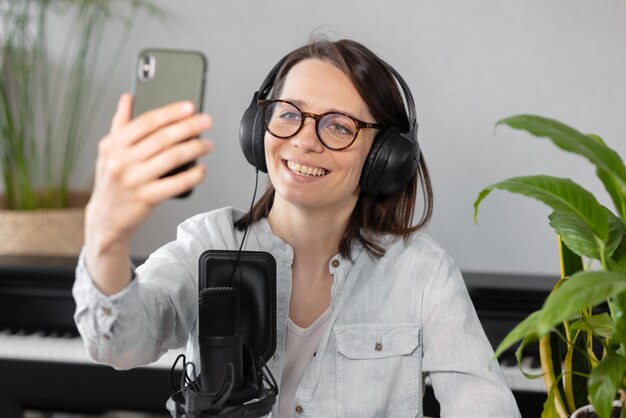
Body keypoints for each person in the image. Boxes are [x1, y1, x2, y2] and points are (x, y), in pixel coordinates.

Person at [73, 39, 521, 417]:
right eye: (289, 113)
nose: (305, 140)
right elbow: (119, 343)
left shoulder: (422, 274)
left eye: (339, 126)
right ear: (257, 128)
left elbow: (485, 405)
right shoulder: (208, 242)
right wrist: (106, 238)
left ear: (385, 157)